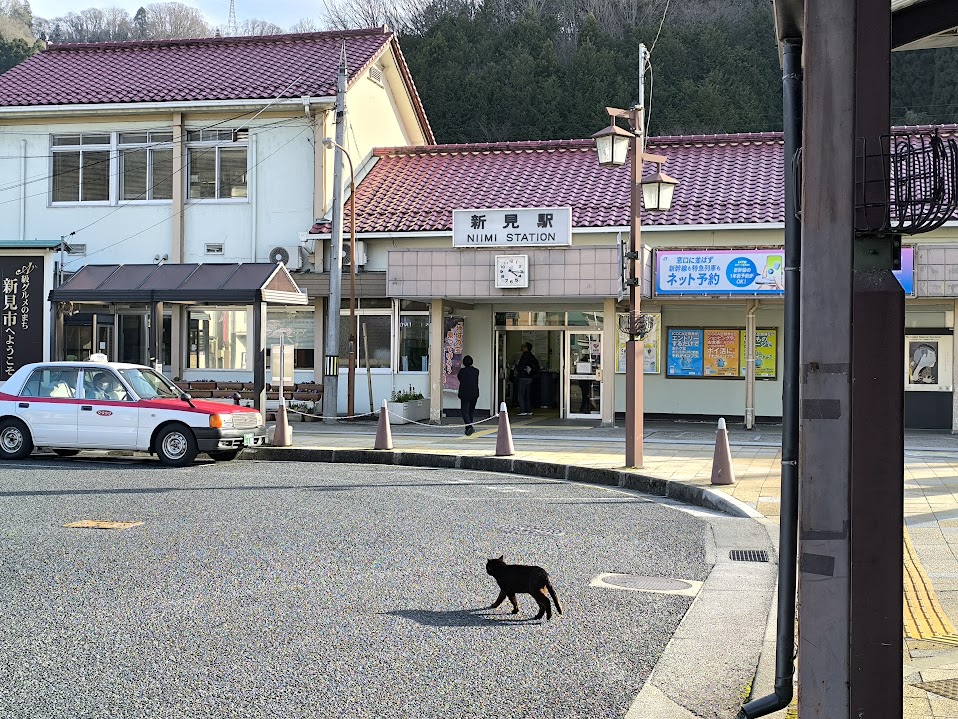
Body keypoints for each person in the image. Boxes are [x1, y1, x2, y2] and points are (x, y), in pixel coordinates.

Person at [514, 342, 540, 416]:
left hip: (523, 377)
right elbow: (537, 366)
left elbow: (520, 366)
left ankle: (522, 410)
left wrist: (517, 369)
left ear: (526, 348)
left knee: (521, 395)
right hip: (529, 378)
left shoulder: (524, 356)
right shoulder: (532, 356)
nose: (521, 348)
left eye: (523, 347)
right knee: (527, 395)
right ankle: (528, 410)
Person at [457, 355, 480, 436]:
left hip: (465, 394)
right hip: (474, 394)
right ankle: (468, 428)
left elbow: (459, 378)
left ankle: (469, 427)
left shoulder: (462, 371)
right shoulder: (476, 371)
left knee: (464, 411)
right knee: (471, 411)